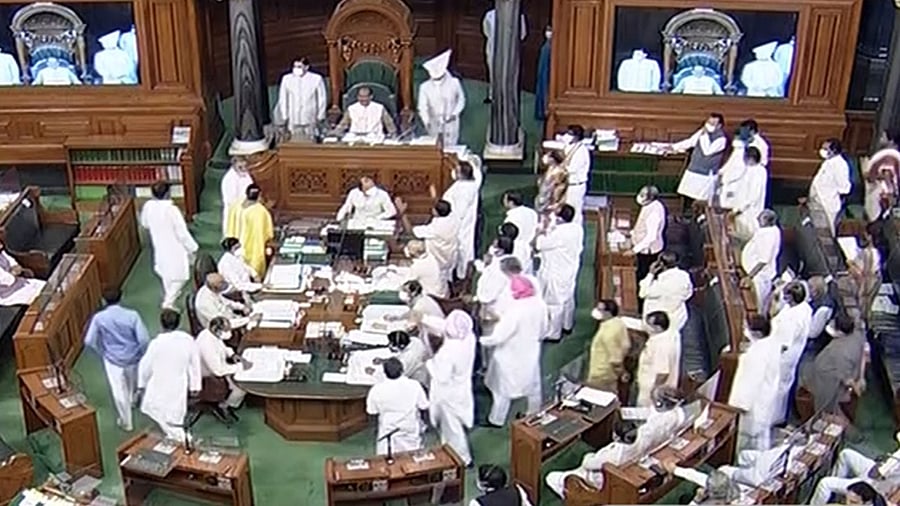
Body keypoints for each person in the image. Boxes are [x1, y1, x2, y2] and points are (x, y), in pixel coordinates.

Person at [546, 388, 703, 497]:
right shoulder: (666, 422)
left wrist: (589, 456)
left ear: (617, 436)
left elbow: (589, 464)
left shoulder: (615, 454)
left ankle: (570, 493)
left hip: (599, 481)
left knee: (552, 477)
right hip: (631, 466)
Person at [481, 275, 547, 426]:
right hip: (530, 352)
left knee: (502, 391)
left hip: (509, 355)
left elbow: (498, 337)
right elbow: (544, 330)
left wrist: (482, 340)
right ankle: (534, 414)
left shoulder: (515, 311)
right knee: (534, 386)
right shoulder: (540, 304)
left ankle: (496, 420)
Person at [84, 289, 150, 431]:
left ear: (103, 300)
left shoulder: (99, 318)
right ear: (121, 297)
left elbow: (89, 341)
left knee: (118, 390)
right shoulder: (133, 316)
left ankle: (126, 421)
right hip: (133, 357)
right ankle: (133, 400)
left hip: (113, 359)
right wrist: (141, 352)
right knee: (132, 381)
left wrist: (102, 352)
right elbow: (144, 339)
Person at [137, 309, 201, 441]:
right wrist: (195, 386)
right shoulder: (188, 340)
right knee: (172, 417)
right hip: (178, 384)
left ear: (161, 324)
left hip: (160, 383)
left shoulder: (156, 343)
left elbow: (145, 366)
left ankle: (184, 442)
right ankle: (178, 439)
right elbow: (195, 364)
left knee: (165, 416)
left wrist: (141, 385)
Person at [423, 310, 477, 466]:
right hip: (461, 388)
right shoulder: (468, 337)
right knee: (451, 427)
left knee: (453, 429)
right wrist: (424, 317)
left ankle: (463, 459)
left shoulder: (448, 352)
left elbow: (441, 376)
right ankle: (448, 450)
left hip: (447, 394)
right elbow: (446, 327)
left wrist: (428, 362)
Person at [140, 181, 198, 309]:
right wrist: (193, 247)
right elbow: (182, 233)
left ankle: (170, 301)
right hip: (175, 247)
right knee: (179, 276)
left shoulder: (148, 206)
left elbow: (144, 224)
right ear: (168, 193)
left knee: (166, 274)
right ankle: (169, 301)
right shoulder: (172, 210)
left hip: (159, 244)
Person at [728, 315, 781, 451]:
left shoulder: (756, 354)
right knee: (761, 437)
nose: (744, 329)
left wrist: (740, 405)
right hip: (765, 401)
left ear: (757, 333)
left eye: (746, 327)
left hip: (753, 407)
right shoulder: (771, 344)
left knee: (748, 443)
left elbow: (750, 382)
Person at [535, 204, 584, 340]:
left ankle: (553, 333)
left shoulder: (560, 233)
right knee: (568, 299)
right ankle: (566, 325)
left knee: (554, 303)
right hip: (569, 270)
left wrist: (542, 229)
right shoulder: (577, 228)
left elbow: (540, 244)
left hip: (555, 273)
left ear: (560, 218)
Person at [800, 313, 865, 413]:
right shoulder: (857, 333)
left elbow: (847, 380)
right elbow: (863, 354)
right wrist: (861, 376)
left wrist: (856, 388)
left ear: (841, 333)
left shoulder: (840, 352)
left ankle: (824, 416)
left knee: (825, 403)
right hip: (829, 367)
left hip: (828, 380)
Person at [365, 357, 429, 455]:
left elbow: (372, 411)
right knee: (412, 459)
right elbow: (424, 406)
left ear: (384, 372)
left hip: (387, 431)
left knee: (388, 461)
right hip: (410, 429)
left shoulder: (376, 389)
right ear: (402, 370)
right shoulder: (414, 385)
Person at [770, 281, 812, 423]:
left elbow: (783, 344)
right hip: (792, 356)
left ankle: (774, 420)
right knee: (782, 387)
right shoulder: (804, 308)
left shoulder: (792, 319)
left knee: (777, 389)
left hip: (783, 359)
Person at [811, 442, 900, 504]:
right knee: (846, 454)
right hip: (881, 476)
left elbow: (874, 475)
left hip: (873, 485)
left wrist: (883, 463)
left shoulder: (897, 459)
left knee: (825, 483)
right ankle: (834, 495)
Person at [196, 317, 249, 421]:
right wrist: (241, 367)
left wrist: (232, 354)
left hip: (220, 365)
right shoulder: (207, 345)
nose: (229, 332)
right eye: (226, 330)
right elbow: (218, 371)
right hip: (210, 377)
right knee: (241, 388)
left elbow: (222, 347)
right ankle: (225, 406)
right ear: (217, 330)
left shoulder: (211, 333)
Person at [397, 198, 459, 285]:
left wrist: (402, 213)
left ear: (436, 212)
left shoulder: (437, 228)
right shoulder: (453, 218)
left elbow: (411, 231)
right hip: (449, 255)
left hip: (438, 259)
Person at [672, 113, 728, 203]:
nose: (709, 125)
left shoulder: (721, 139)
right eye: (709, 122)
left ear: (719, 126)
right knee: (688, 195)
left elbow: (707, 151)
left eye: (713, 123)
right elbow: (691, 142)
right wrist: (674, 147)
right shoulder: (703, 132)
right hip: (694, 169)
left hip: (706, 174)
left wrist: (704, 135)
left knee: (702, 200)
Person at [441, 160, 482, 279]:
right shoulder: (469, 183)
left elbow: (460, 211)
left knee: (462, 247)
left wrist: (451, 222)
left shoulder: (464, 189)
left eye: (456, 170)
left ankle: (463, 275)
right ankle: (461, 273)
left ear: (461, 174)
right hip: (461, 221)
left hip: (459, 223)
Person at [418, 49, 466, 146]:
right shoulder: (424, 87)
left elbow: (461, 100)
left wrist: (454, 113)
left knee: (451, 145)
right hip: (433, 122)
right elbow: (422, 106)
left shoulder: (454, 83)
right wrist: (426, 121)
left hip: (451, 122)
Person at [224, 184, 273, 278]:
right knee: (252, 272)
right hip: (252, 249)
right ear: (259, 196)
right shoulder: (260, 211)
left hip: (234, 246)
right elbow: (267, 233)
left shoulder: (235, 205)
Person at [273, 58, 327, 140]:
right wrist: (285, 115)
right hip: (293, 116)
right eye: (295, 66)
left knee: (311, 138)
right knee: (294, 138)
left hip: (310, 116)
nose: (296, 68)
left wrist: (320, 115)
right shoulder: (287, 79)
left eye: (299, 66)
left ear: (306, 67)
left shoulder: (316, 78)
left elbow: (322, 98)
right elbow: (283, 98)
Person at [638, 251, 693, 331]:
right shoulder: (684, 275)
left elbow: (642, 293)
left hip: (660, 319)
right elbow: (689, 293)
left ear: (660, 265)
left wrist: (650, 274)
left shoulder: (661, 286)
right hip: (678, 316)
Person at [635, 311, 681, 406]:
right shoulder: (669, 335)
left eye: (650, 325)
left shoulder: (661, 346)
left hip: (651, 390)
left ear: (658, 328)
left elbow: (663, 372)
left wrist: (653, 391)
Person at [722, 147, 768, 240]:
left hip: (749, 211)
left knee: (747, 233)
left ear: (751, 158)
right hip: (742, 207)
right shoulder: (749, 169)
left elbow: (754, 195)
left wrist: (739, 209)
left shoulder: (759, 173)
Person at [482, 8, 527, 102]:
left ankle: (508, 96)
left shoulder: (519, 16)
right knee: (493, 72)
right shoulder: (489, 15)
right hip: (493, 49)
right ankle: (492, 95)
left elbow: (522, 34)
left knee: (510, 73)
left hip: (510, 49)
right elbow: (486, 31)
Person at [740, 209, 781, 310]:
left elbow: (763, 260)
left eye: (761, 218)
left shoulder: (769, 235)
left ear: (768, 221)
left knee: (759, 304)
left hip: (759, 277)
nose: (758, 219)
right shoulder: (766, 230)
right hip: (754, 275)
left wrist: (749, 277)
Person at [585, 300, 630, 393]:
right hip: (608, 374)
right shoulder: (618, 323)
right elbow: (626, 346)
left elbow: (615, 359)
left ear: (608, 313)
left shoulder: (608, 333)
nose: (596, 311)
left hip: (601, 374)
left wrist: (622, 372)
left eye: (599, 309)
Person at [810, 138, 852, 235]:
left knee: (828, 231)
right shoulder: (828, 161)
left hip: (828, 204)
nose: (822, 150)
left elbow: (845, 188)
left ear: (833, 151)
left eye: (825, 148)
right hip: (818, 200)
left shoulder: (840, 166)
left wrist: (831, 192)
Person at [629, 185, 667, 289]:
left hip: (648, 251)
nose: (640, 197)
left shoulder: (654, 213)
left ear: (650, 198)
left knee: (643, 274)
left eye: (643, 195)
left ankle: (640, 297)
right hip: (642, 246)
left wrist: (634, 250)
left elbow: (651, 237)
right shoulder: (650, 205)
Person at [474, 236, 516, 318]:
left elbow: (487, 296)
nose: (491, 248)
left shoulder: (498, 269)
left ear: (500, 251)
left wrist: (477, 297)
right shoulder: (511, 263)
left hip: (496, 311)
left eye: (494, 246)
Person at [864, 129, 900, 222]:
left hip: (881, 194)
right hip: (883, 192)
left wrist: (870, 175)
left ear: (890, 140)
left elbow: (887, 176)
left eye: (883, 137)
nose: (880, 139)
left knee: (876, 220)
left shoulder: (889, 156)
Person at [849, 229, 882, 322]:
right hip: (870, 281)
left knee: (867, 301)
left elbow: (859, 270)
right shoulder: (868, 252)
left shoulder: (867, 253)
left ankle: (866, 318)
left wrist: (852, 266)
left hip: (870, 282)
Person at [560, 125, 591, 223]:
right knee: (566, 211)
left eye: (570, 134)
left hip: (576, 186)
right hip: (567, 185)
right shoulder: (569, 147)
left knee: (575, 211)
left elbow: (571, 169)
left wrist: (558, 169)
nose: (566, 136)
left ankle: (576, 231)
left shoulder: (581, 151)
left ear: (576, 137)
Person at [502, 191, 538, 273]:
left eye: (505, 200)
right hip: (529, 249)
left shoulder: (511, 217)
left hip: (516, 250)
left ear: (511, 202)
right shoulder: (532, 213)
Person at [0, 241, 45, 306]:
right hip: (9, 295)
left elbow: (14, 263)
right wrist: (14, 272)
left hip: (21, 282)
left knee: (48, 286)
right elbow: (9, 280)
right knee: (43, 299)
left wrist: (14, 271)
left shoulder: (1, 252)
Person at [219, 156, 254, 236]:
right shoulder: (229, 179)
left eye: (245, 166)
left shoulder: (246, 174)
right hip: (234, 213)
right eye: (240, 167)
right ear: (234, 165)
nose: (244, 169)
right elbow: (231, 201)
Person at [536, 150, 569, 220]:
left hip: (551, 200)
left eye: (548, 156)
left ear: (553, 159)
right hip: (543, 196)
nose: (546, 157)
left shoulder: (560, 172)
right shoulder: (550, 168)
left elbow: (560, 189)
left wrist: (555, 203)